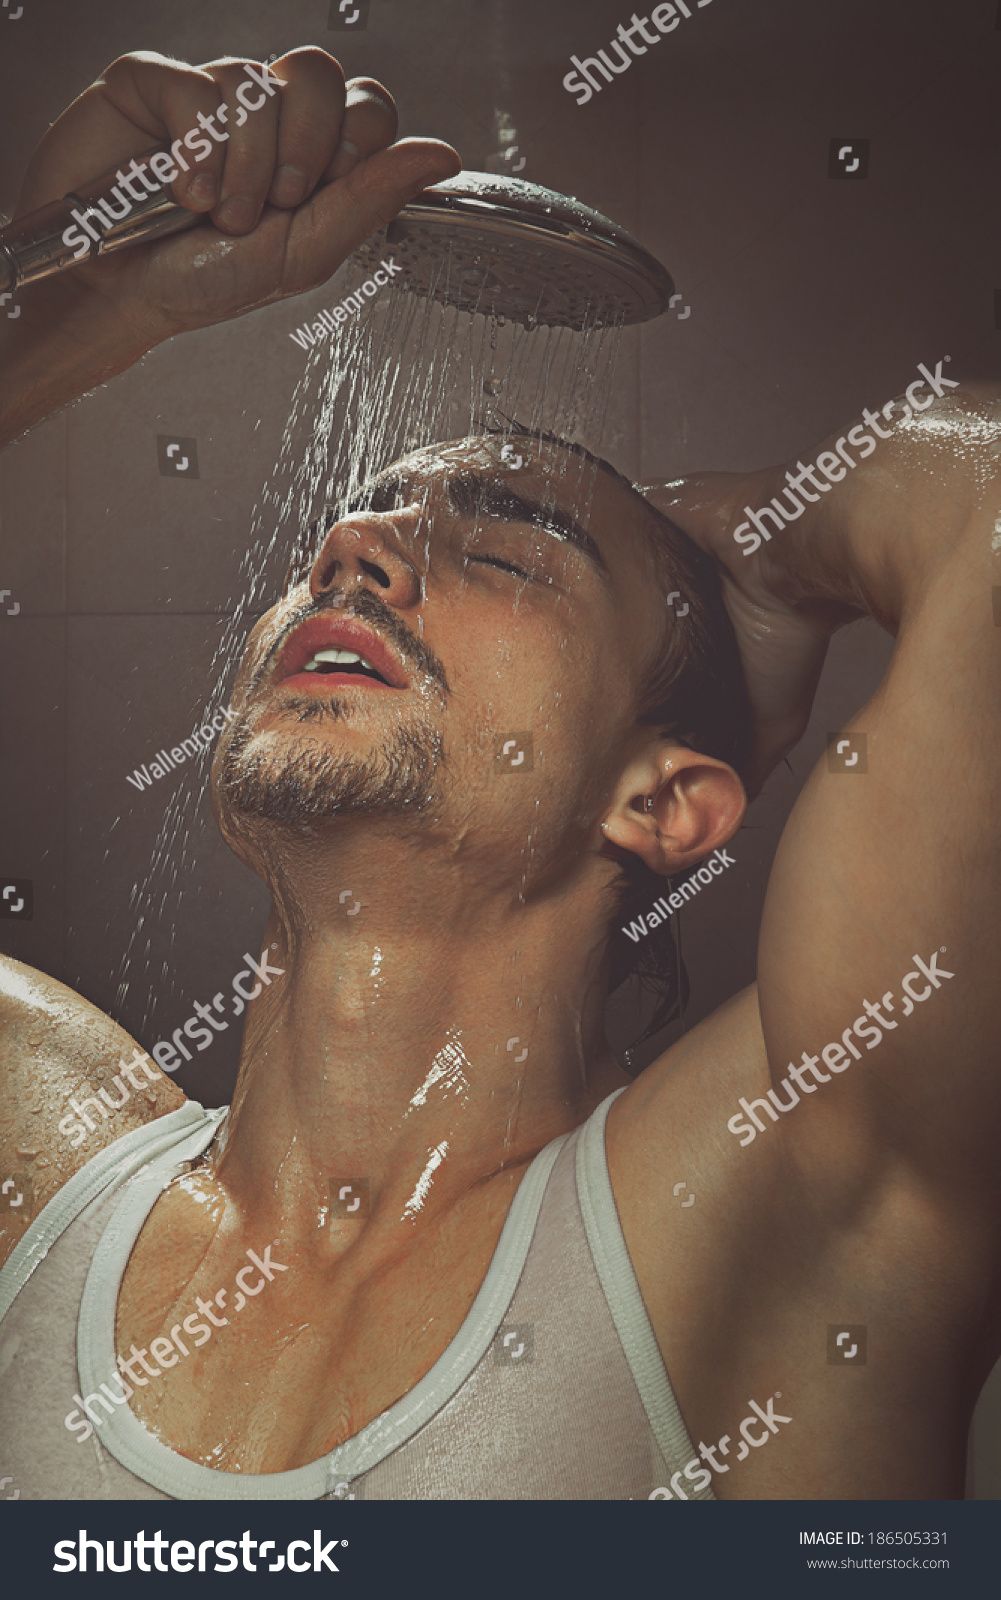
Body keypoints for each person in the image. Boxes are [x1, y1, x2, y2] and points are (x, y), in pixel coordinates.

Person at [0, 46, 997, 1503]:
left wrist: (766, 553)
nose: (361, 550)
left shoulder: (756, 1213)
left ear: (661, 799)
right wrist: (82, 301)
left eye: (510, 543)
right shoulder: (36, 1166)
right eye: (355, 526)